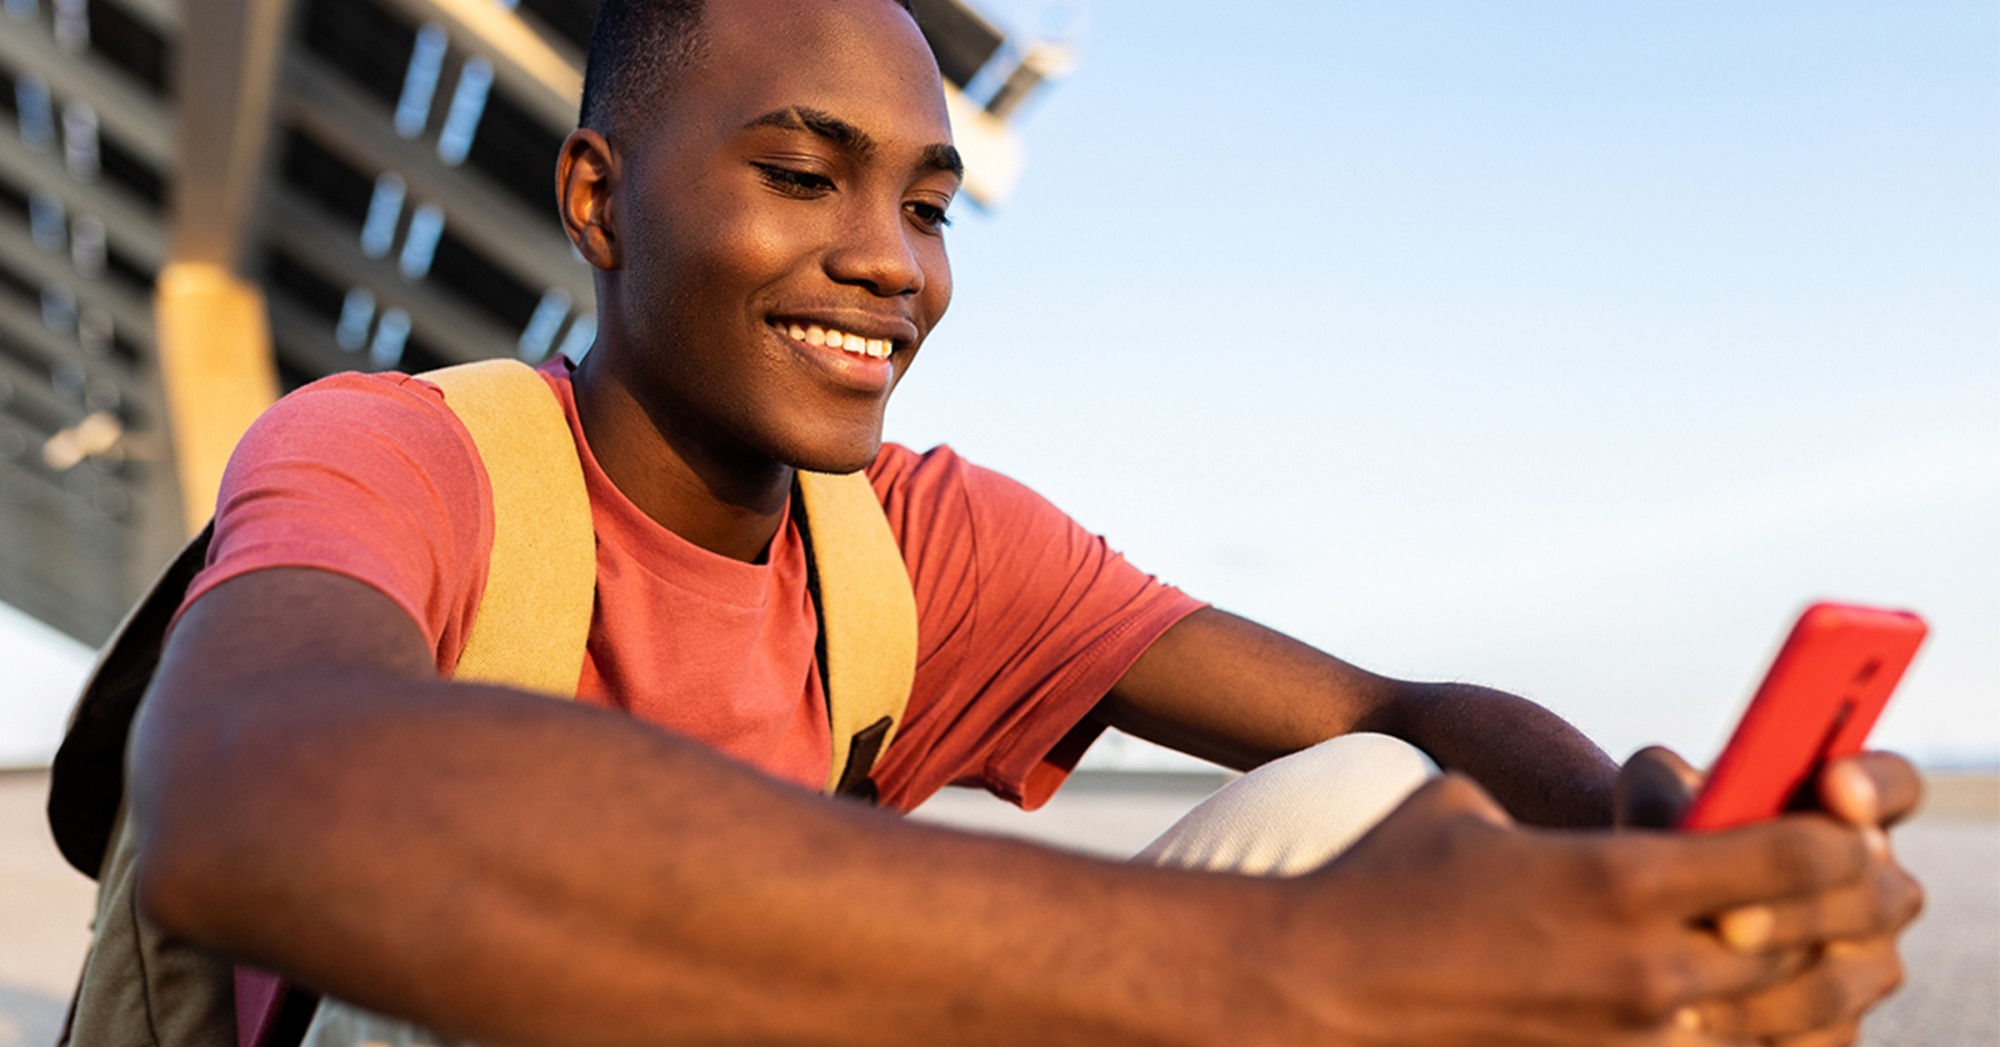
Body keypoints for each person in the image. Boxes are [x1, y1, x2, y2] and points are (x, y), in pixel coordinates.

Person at [128, 0, 1923, 1044]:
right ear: (597, 201)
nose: (887, 266)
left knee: (1378, 811)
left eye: (927, 204)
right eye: (799, 173)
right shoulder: (401, 455)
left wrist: (1646, 859)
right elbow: (247, 794)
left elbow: (1392, 722)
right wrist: (1280, 971)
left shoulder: (914, 545)